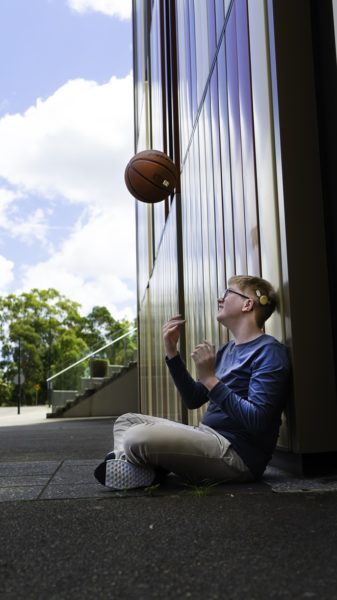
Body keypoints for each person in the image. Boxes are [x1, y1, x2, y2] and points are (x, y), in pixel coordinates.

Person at [94, 275, 291, 490]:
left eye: (227, 292)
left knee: (135, 437)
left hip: (236, 455)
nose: (220, 299)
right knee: (127, 421)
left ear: (248, 303)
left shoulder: (268, 352)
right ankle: (139, 470)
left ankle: (138, 467)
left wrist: (210, 379)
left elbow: (259, 420)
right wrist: (171, 352)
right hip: (207, 436)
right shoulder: (226, 350)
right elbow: (193, 398)